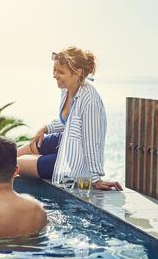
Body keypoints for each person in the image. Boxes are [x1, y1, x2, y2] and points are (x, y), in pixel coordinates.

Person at [17, 47, 123, 191]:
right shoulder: (66, 89)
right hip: (63, 141)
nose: (55, 75)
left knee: (17, 164)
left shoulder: (89, 99)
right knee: (13, 155)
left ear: (77, 73)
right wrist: (46, 128)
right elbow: (69, 120)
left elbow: (92, 140)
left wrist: (95, 178)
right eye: (54, 70)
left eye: (60, 72)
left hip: (74, 161)